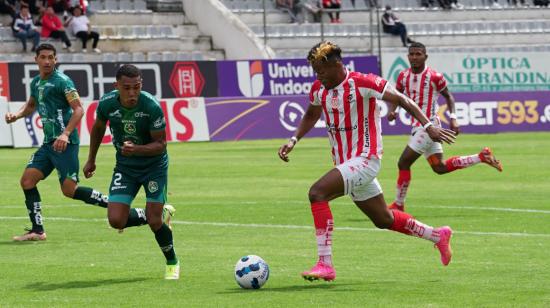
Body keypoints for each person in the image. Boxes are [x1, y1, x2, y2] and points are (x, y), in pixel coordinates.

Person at [277, 41, 456, 282]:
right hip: (346, 163)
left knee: (317, 193)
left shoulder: (363, 82)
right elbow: (311, 113)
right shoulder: (319, 88)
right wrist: (293, 139)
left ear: (336, 64)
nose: (317, 75)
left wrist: (428, 126)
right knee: (384, 219)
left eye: (321, 70)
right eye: (315, 71)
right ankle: (438, 236)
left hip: (366, 159)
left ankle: (325, 263)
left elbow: (403, 100)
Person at [4, 43, 111, 241]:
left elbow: (79, 109)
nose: (47, 61)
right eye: (43, 57)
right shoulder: (36, 82)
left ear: (56, 60)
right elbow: (31, 105)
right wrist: (16, 116)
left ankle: (114, 205)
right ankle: (37, 230)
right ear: (36, 59)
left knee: (69, 190)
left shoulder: (63, 81)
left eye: (50, 57)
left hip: (65, 143)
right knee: (27, 181)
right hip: (48, 144)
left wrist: (65, 134)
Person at [83, 64, 180, 280]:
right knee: (116, 220)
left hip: (154, 167)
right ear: (116, 85)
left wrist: (136, 149)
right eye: (126, 88)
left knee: (155, 224)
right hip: (126, 168)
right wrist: (91, 159)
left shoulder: (151, 106)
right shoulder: (107, 103)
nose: (132, 93)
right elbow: (98, 128)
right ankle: (157, 213)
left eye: (136, 87)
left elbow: (161, 144)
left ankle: (172, 261)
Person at [387, 42, 502, 212]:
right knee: (439, 168)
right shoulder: (403, 76)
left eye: (418, 54)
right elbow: (396, 96)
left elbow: (449, 97)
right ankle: (481, 157)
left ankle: (398, 204)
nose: (414, 57)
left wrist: (453, 118)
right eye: (411, 54)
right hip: (418, 126)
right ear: (408, 57)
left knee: (403, 162)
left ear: (425, 56)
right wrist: (392, 110)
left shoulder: (435, 76)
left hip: (429, 127)